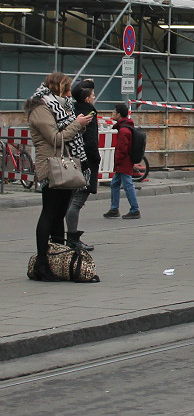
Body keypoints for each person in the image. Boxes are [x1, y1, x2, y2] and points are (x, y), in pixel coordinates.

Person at [26, 72, 93, 281]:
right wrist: (77, 124)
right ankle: (42, 262)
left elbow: (66, 133)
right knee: (50, 212)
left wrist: (78, 125)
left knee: (60, 212)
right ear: (56, 88)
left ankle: (57, 258)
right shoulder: (40, 107)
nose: (68, 93)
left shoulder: (60, 106)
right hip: (51, 165)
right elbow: (55, 137)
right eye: (66, 88)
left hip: (65, 164)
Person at [65, 78, 99, 251]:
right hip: (85, 162)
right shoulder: (89, 114)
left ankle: (69, 236)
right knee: (77, 201)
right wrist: (96, 159)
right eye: (93, 95)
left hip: (72, 160)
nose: (94, 97)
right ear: (87, 99)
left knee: (72, 199)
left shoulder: (72, 111)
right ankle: (72, 238)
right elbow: (91, 142)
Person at [104, 103, 141, 220]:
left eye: (114, 112)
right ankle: (114, 209)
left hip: (123, 163)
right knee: (115, 184)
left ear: (119, 114)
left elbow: (122, 149)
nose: (112, 114)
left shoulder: (124, 130)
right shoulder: (127, 127)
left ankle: (134, 209)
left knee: (128, 185)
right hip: (124, 162)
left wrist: (117, 161)